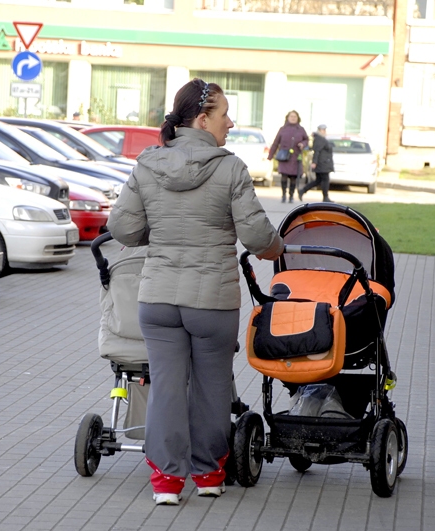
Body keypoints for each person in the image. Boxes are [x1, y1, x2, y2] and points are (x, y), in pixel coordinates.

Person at [107, 78, 284, 506]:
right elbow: (257, 235)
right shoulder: (230, 168)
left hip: (158, 301)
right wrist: (276, 250)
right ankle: (207, 475)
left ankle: (166, 482)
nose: (231, 122)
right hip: (212, 303)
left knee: (166, 385)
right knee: (212, 387)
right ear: (203, 119)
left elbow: (123, 228)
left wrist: (162, 233)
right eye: (225, 115)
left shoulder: (148, 164)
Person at [268, 110, 309, 203]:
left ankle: (291, 195)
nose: (293, 118)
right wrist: (270, 155)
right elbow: (276, 142)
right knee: (284, 176)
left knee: (293, 177)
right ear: (287, 117)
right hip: (284, 156)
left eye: (295, 116)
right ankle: (283, 195)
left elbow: (306, 140)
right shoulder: (282, 129)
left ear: (298, 118)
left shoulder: (301, 129)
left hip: (295, 156)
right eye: (291, 116)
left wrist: (303, 144)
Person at [298, 124, 333, 202]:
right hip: (322, 163)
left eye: (324, 130)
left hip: (324, 163)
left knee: (318, 180)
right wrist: (314, 162)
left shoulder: (321, 138)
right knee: (325, 180)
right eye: (323, 130)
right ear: (319, 130)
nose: (324, 131)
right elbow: (316, 151)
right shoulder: (319, 139)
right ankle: (325, 197)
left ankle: (303, 190)